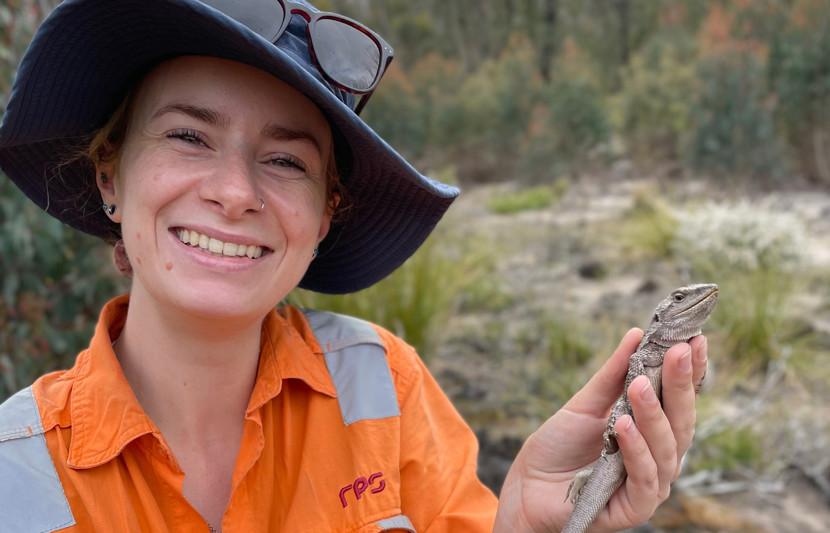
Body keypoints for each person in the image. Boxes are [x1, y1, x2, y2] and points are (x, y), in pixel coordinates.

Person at [0, 1, 708, 532]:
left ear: (325, 214)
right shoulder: (15, 472)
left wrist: (521, 515)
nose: (236, 192)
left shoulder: (387, 388)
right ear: (110, 176)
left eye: (285, 160)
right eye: (189, 136)